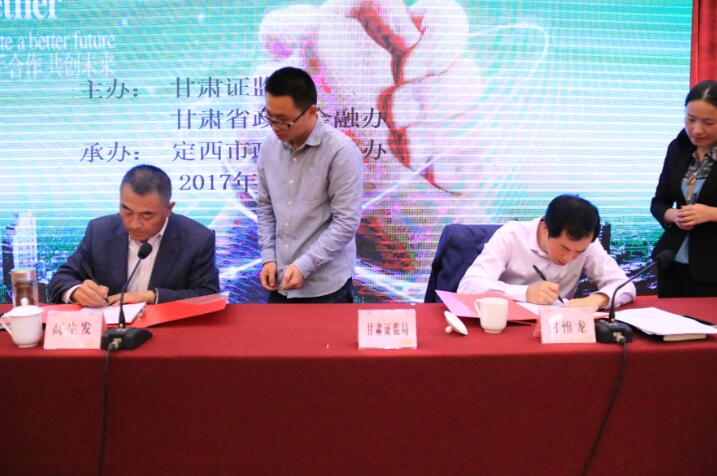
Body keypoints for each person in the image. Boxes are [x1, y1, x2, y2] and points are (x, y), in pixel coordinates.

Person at [256, 66, 363, 303]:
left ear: (311, 111)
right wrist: (269, 257)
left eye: (284, 121)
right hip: (279, 283)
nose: (275, 127)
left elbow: (346, 222)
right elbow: (265, 207)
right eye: (270, 118)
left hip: (325, 289)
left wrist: (305, 265)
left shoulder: (341, 152)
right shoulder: (269, 147)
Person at [48, 165, 220, 307]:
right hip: (110, 331)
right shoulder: (100, 231)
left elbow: (208, 295)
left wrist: (152, 296)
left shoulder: (197, 238)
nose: (134, 224)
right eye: (127, 211)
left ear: (168, 209)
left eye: (146, 215)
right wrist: (76, 291)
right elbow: (60, 279)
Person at [458, 194, 635, 310]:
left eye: (578, 252)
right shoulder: (511, 235)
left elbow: (625, 285)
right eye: (564, 248)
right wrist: (525, 293)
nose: (569, 258)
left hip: (557, 329)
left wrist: (596, 300)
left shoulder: (587, 244)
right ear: (545, 229)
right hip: (507, 324)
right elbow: (468, 287)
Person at [650, 80, 717, 297]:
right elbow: (659, 202)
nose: (696, 129)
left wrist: (711, 213)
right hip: (672, 262)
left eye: (708, 122)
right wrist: (672, 215)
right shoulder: (678, 148)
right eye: (690, 119)